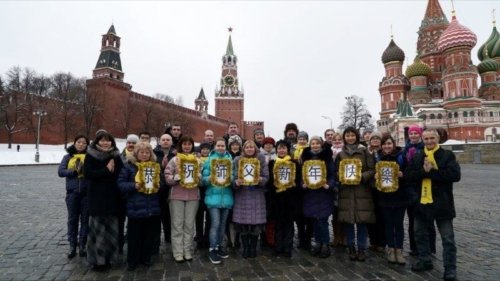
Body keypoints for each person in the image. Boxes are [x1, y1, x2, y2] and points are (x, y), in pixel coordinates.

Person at [406, 129, 461, 281]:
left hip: (442, 203)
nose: (429, 141)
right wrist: (423, 171)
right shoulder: (418, 156)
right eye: (426, 138)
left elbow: (455, 175)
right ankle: (425, 260)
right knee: (419, 234)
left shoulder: (447, 155)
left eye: (432, 138)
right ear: (422, 139)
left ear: (437, 139)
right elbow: (409, 176)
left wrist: (431, 172)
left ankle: (450, 269)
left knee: (448, 238)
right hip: (422, 203)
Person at [118, 142, 161, 271]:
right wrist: (134, 186)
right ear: (136, 153)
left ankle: (146, 258)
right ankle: (132, 260)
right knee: (133, 237)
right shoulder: (129, 167)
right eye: (141, 152)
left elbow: (161, 182)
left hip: (151, 207)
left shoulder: (155, 166)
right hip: (135, 207)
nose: (144, 154)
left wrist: (158, 185)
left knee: (149, 235)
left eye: (147, 152)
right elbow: (120, 184)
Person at [83, 131, 123, 271]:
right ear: (97, 142)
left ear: (112, 142)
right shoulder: (91, 156)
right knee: (98, 231)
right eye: (102, 140)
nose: (106, 143)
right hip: (97, 198)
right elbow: (88, 174)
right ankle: (98, 261)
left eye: (108, 140)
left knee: (112, 230)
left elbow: (120, 176)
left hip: (112, 198)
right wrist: (106, 170)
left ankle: (110, 258)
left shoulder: (116, 157)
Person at [336, 127, 376, 262]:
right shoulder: (340, 154)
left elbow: (372, 170)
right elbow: (335, 172)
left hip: (362, 191)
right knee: (348, 221)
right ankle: (351, 247)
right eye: (347, 135)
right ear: (344, 138)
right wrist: (342, 177)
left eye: (352, 135)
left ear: (356, 136)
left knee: (361, 222)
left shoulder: (365, 152)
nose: (350, 137)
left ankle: (361, 248)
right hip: (346, 191)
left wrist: (361, 177)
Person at [375, 134, 411, 265]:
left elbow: (410, 172)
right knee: (388, 225)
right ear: (382, 145)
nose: (387, 146)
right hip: (384, 196)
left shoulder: (401, 156)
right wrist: (375, 176)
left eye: (389, 143)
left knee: (399, 224)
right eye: (384, 144)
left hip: (399, 196)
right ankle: (391, 249)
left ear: (393, 144)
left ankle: (399, 250)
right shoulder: (378, 158)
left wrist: (403, 174)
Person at [165, 136, 201, 263]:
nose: (187, 146)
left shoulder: (197, 160)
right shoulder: (175, 160)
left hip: (193, 196)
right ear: (181, 145)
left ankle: (187, 251)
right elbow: (167, 175)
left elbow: (203, 175)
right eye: (184, 144)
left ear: (192, 146)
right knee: (177, 225)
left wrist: (199, 176)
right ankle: (178, 252)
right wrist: (175, 177)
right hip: (177, 196)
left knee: (189, 225)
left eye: (189, 144)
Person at [403, 124, 436, 256]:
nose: (413, 136)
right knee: (412, 220)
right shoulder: (406, 149)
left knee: (428, 220)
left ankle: (430, 247)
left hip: (425, 188)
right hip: (410, 189)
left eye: (416, 133)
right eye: (411, 134)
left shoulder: (426, 149)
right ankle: (414, 247)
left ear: (420, 135)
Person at [232, 140, 269, 258]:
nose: (249, 149)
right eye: (247, 147)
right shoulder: (237, 160)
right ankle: (245, 248)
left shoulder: (261, 159)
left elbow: (266, 176)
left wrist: (261, 180)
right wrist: (236, 182)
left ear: (255, 149)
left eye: (251, 147)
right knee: (243, 224)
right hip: (242, 194)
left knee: (255, 223)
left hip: (257, 194)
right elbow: (233, 176)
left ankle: (253, 248)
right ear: (243, 149)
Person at [301, 136, 336, 258]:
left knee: (322, 220)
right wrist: (303, 184)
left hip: (323, 194)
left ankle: (325, 244)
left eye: (317, 143)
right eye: (313, 143)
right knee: (314, 220)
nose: (315, 145)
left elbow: (332, 174)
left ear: (321, 145)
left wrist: (329, 185)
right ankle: (317, 243)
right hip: (310, 194)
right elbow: (301, 175)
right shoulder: (305, 158)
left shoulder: (327, 158)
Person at [201, 138, 234, 264]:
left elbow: (234, 175)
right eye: (218, 145)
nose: (220, 147)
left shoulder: (230, 160)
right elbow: (203, 180)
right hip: (213, 198)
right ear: (214, 147)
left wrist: (229, 178)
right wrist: (211, 177)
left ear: (226, 147)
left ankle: (220, 246)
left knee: (222, 225)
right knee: (215, 223)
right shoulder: (209, 161)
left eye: (222, 145)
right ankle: (212, 248)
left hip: (226, 198)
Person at [58, 135, 90, 259]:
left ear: (87, 145)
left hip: (86, 193)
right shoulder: (68, 157)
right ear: (75, 143)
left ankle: (82, 245)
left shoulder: (89, 158)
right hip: (72, 192)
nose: (81, 144)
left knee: (85, 220)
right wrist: (74, 172)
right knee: (72, 219)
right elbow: (61, 172)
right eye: (79, 142)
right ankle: (72, 245)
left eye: (84, 143)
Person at [267, 140, 299, 258]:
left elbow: (298, 180)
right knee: (278, 224)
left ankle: (288, 248)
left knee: (289, 225)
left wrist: (292, 186)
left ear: (288, 150)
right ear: (276, 150)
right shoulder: (272, 163)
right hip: (277, 199)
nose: (281, 150)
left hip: (290, 198)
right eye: (279, 148)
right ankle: (278, 247)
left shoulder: (294, 163)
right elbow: (270, 182)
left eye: (284, 148)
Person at [153, 134, 176, 251]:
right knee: (157, 216)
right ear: (160, 141)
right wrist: (161, 168)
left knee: (170, 215)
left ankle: (169, 237)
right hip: (158, 190)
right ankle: (156, 242)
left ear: (171, 142)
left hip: (172, 189)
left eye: (168, 140)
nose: (166, 142)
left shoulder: (176, 154)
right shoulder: (153, 153)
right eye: (163, 140)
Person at [367, 131, 386, 253]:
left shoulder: (384, 152)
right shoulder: (366, 153)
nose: (374, 140)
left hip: (383, 188)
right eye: (372, 138)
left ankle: (381, 242)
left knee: (381, 216)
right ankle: (373, 241)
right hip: (369, 187)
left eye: (377, 138)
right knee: (371, 216)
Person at [195, 142, 212, 250]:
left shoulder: (212, 160)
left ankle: (207, 238)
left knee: (209, 217)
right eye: (203, 149)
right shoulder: (196, 160)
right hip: (199, 191)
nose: (205, 151)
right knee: (199, 217)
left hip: (209, 191)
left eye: (207, 149)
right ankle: (199, 237)